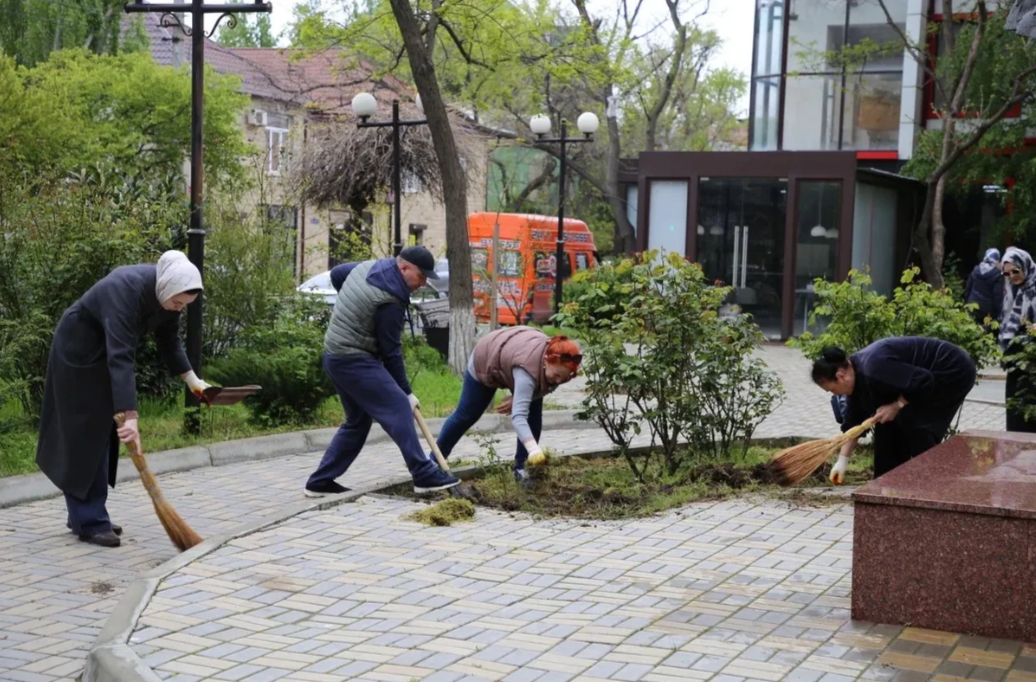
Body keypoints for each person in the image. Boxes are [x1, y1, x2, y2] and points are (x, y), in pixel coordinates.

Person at [36, 251, 210, 548]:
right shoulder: (125, 288)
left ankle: (86, 514)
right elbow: (121, 356)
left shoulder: (168, 294)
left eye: (183, 305)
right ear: (167, 287)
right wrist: (130, 415)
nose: (177, 309)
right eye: (177, 303)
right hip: (77, 353)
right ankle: (89, 521)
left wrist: (193, 381)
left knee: (102, 433)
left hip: (103, 354)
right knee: (85, 433)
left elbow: (169, 341)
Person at [304, 245, 460, 497]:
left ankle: (320, 481)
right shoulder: (391, 298)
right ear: (404, 267)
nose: (422, 284)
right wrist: (406, 393)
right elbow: (391, 353)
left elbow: (339, 274)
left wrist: (354, 307)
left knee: (357, 421)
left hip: (335, 355)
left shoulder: (370, 266)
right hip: (353, 358)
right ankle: (422, 474)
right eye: (421, 276)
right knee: (398, 405)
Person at [811, 337, 976, 483]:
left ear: (841, 376)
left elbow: (924, 381)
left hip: (952, 369)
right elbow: (853, 426)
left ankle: (938, 485)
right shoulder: (855, 382)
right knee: (886, 423)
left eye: (832, 390)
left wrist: (897, 405)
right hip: (920, 380)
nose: (834, 394)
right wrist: (842, 461)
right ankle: (886, 486)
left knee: (915, 425)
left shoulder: (874, 368)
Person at [434, 326, 581, 483]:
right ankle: (434, 463)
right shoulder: (528, 371)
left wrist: (521, 397)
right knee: (467, 415)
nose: (558, 381)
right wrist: (534, 449)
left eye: (563, 378)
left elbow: (547, 385)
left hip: (515, 355)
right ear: (546, 359)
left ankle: (522, 469)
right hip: (487, 357)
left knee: (534, 415)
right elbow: (518, 417)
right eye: (557, 375)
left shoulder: (560, 368)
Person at [999, 247, 1036, 432]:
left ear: (1026, 266)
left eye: (1016, 271)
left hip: (1033, 362)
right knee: (1015, 416)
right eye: (1007, 272)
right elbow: (1005, 322)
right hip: (1015, 362)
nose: (1012, 276)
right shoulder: (1013, 291)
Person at [964, 248, 1004, 327]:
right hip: (988, 312)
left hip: (972, 307)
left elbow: (967, 290)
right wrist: (1000, 314)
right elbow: (998, 297)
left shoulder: (975, 270)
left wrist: (966, 304)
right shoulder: (998, 275)